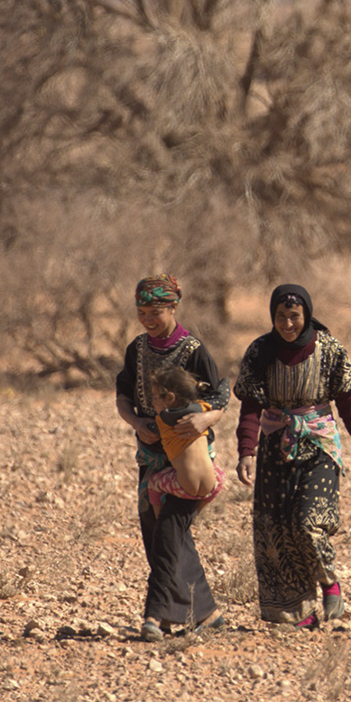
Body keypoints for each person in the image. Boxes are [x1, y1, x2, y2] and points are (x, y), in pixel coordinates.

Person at [233, 284, 351, 628]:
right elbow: (250, 407)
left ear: (307, 316)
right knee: (277, 532)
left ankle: (330, 582)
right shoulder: (260, 351)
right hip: (274, 447)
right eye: (281, 316)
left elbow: (349, 404)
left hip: (318, 443)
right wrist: (247, 452)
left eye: (295, 316)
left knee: (307, 521)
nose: (288, 324)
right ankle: (297, 614)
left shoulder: (329, 349)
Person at [116, 274, 228, 641]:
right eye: (142, 311)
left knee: (170, 534)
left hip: (187, 458)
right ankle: (202, 613)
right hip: (150, 456)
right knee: (157, 531)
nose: (148, 319)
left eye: (156, 312)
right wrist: (136, 422)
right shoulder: (136, 349)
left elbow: (221, 396)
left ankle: (159, 616)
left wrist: (205, 418)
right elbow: (123, 396)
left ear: (174, 307)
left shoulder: (194, 349)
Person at [148, 365, 227, 515]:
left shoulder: (162, 420)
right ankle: (196, 513)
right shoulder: (202, 409)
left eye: (155, 397)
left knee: (153, 483)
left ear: (170, 398)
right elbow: (223, 393)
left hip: (183, 486)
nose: (152, 402)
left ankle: (158, 518)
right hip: (211, 485)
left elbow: (151, 432)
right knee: (221, 476)